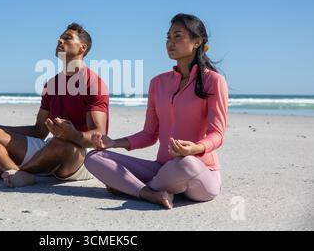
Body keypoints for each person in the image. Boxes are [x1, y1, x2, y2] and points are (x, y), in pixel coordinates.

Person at [85, 14, 228, 209]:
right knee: (94, 157)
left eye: (177, 36)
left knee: (185, 163)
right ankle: (148, 193)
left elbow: (217, 135)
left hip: (199, 173)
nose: (170, 42)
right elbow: (149, 134)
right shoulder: (157, 83)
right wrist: (114, 143)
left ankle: (134, 188)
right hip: (162, 170)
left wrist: (194, 149)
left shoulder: (214, 81)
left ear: (197, 42)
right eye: (168, 38)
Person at [0, 23, 109, 187]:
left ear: (82, 48)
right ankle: (15, 171)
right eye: (60, 37)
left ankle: (9, 170)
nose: (59, 40)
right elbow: (39, 131)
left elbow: (99, 138)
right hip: (50, 148)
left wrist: (73, 135)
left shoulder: (94, 84)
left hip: (80, 153)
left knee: (61, 143)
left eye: (67, 38)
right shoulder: (51, 85)